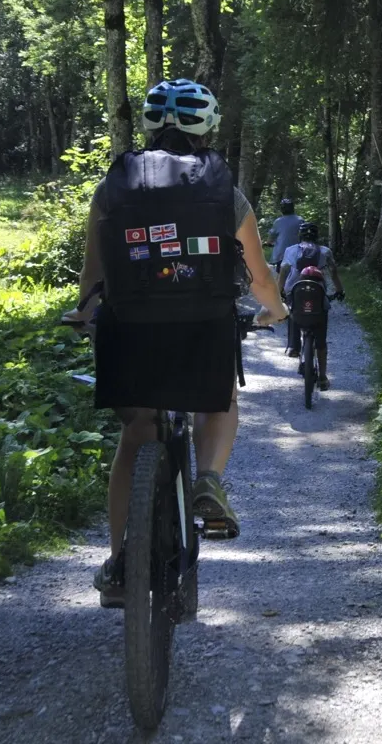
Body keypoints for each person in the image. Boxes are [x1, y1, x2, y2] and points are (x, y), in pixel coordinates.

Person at [65, 78, 289, 608]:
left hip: (128, 329)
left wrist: (84, 311)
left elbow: (94, 271)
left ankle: (121, 562)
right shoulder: (224, 192)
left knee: (137, 431)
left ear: (147, 126)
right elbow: (258, 276)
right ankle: (208, 478)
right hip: (203, 325)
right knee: (221, 401)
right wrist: (274, 310)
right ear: (207, 128)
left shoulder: (113, 185)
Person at [277, 221, 345, 388]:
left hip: (296, 293)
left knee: (292, 309)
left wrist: (279, 291)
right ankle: (322, 377)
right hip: (318, 297)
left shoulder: (290, 250)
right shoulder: (325, 251)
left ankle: (294, 346)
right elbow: (334, 271)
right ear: (317, 236)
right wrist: (339, 290)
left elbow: (284, 270)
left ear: (300, 236)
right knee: (321, 338)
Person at [266, 199, 304, 273]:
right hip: (297, 254)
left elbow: (270, 239)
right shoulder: (300, 220)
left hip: (281, 256)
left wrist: (268, 243)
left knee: (280, 279)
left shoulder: (278, 221)